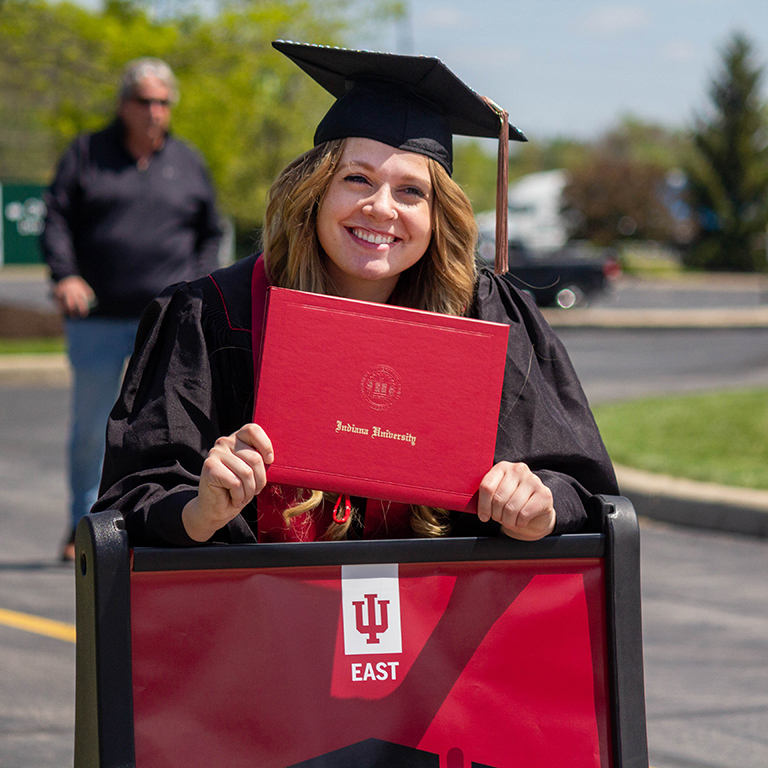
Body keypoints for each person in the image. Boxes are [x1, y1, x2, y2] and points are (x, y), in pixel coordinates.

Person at [93, 42, 618, 547]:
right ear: (315, 190)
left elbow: (583, 489)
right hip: (263, 624)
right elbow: (133, 498)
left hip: (442, 625)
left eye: (411, 191)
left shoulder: (488, 316)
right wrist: (199, 510)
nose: (382, 208)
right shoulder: (215, 314)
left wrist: (540, 506)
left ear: (438, 216)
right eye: (357, 178)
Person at [40, 58, 223, 561]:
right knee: (91, 429)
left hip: (171, 324)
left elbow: (211, 231)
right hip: (98, 318)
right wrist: (66, 275)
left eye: (163, 102)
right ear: (124, 104)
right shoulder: (87, 154)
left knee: (164, 429)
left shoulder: (188, 161)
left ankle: (145, 523)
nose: (154, 111)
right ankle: (86, 531)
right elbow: (54, 217)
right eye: (144, 101)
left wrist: (199, 283)